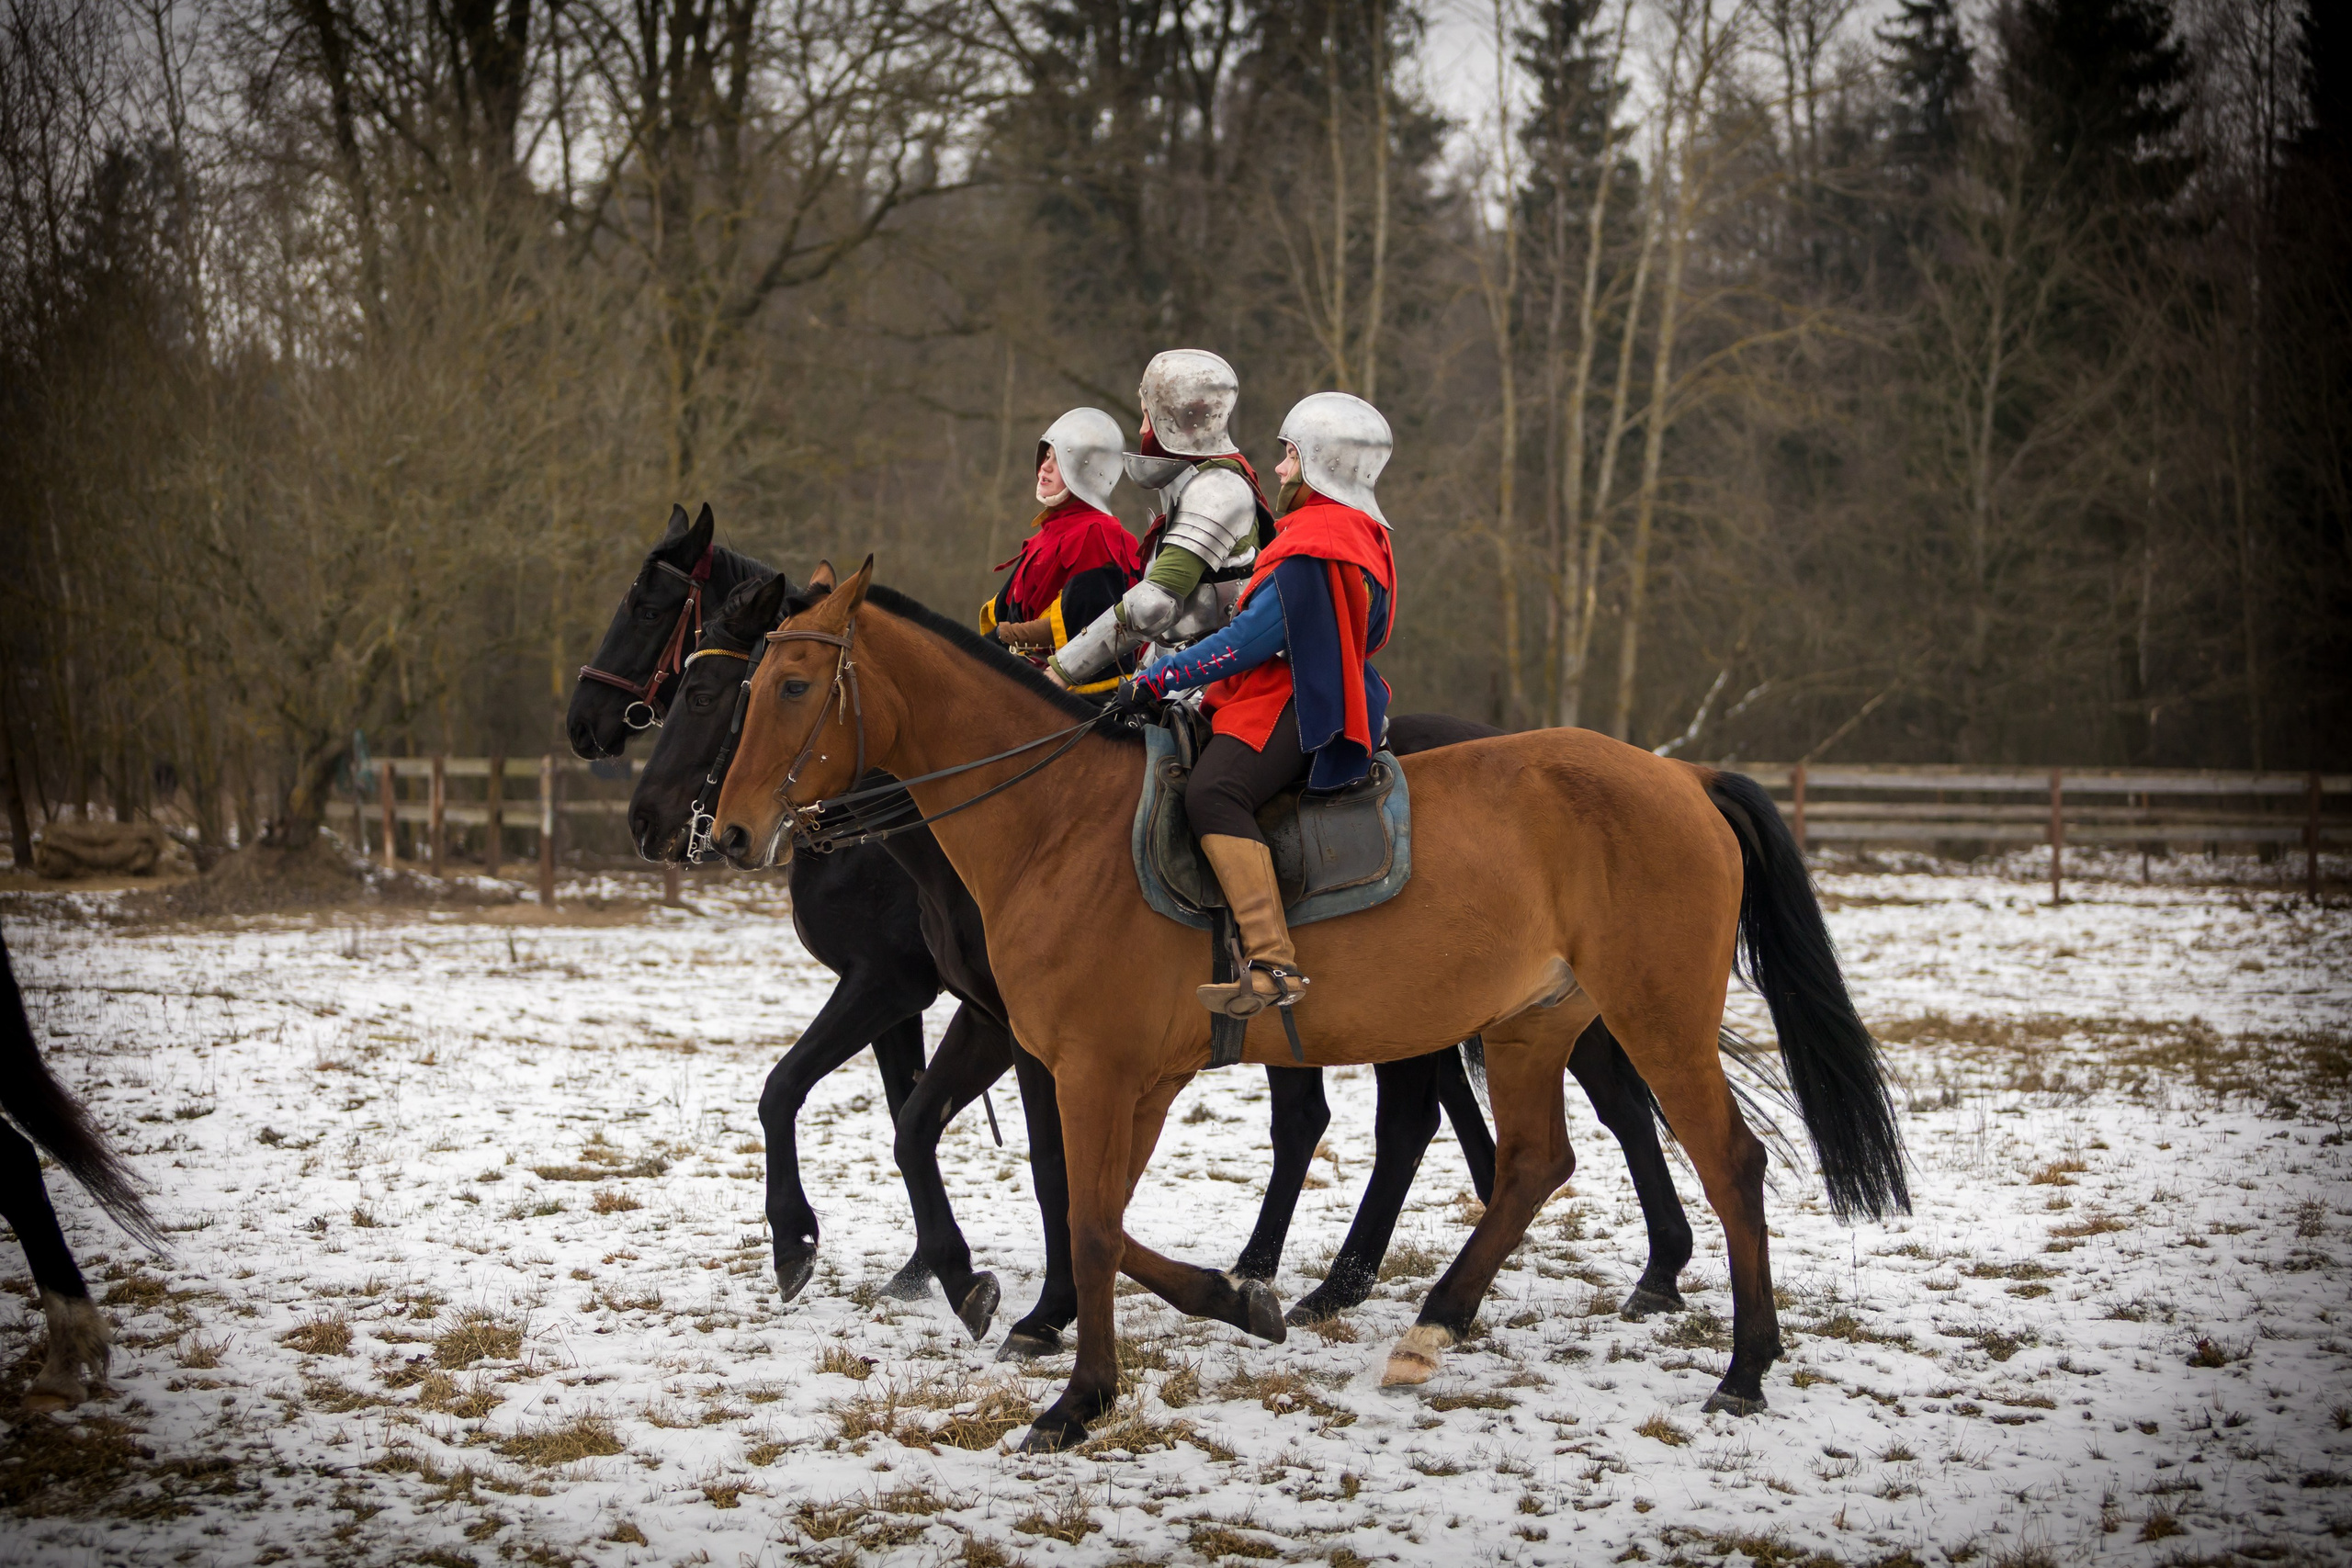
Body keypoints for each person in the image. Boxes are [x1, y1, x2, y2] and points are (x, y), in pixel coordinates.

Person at [1109, 391, 1398, 1020]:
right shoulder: (1360, 534)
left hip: (1293, 701)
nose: (1280, 469)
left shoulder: (1314, 544)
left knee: (1213, 794)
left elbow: (1247, 642)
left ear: (1319, 464)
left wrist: (1157, 681)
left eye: (1290, 456)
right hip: (1321, 686)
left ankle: (1271, 961)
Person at [1047, 350, 1274, 690]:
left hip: (1214, 685)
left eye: (1147, 416)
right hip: (1168, 674)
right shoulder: (1193, 485)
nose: (1141, 428)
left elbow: (1154, 605)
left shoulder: (1218, 489)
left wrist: (1061, 671)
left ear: (1177, 419)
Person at [981, 409, 1144, 692]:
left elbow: (1090, 625)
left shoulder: (1098, 533)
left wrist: (1011, 635)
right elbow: (1008, 614)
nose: (1044, 467)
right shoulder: (1048, 532)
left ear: (1085, 472)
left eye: (1058, 460)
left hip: (1076, 693)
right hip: (1027, 677)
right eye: (1046, 456)